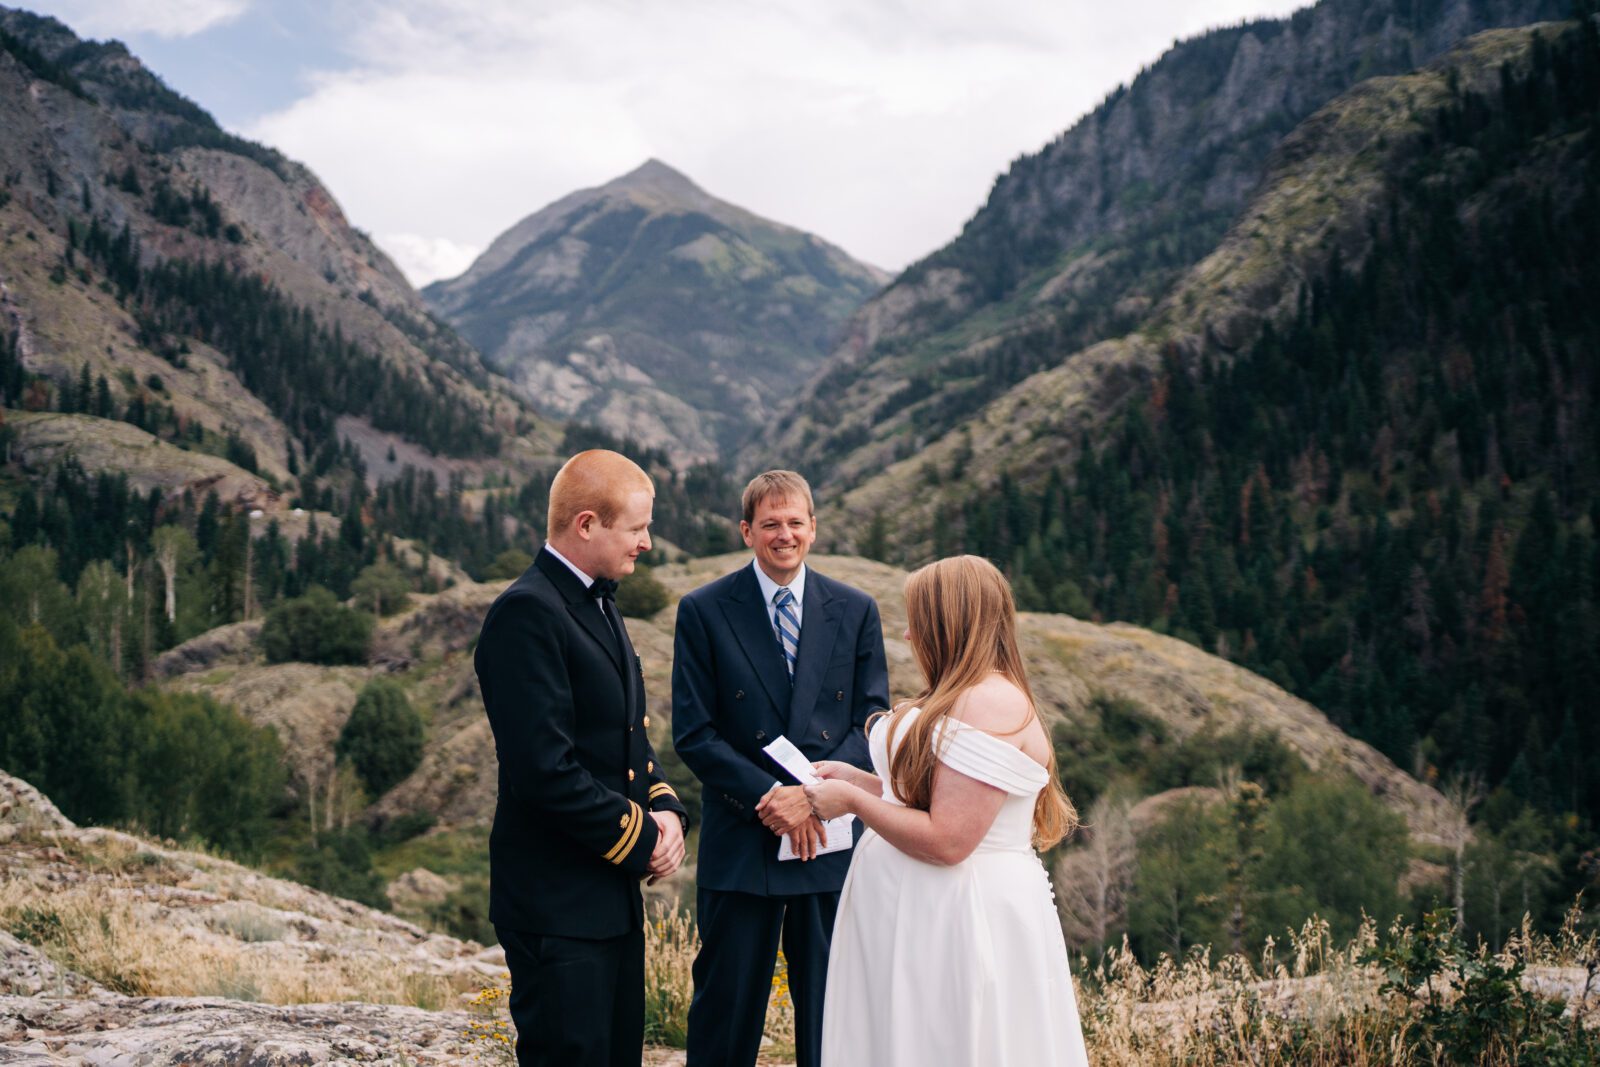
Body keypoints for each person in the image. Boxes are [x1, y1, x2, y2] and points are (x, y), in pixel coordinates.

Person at [803, 555, 1090, 1067]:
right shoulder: (958, 695)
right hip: (916, 910)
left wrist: (852, 803)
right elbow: (929, 796)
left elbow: (949, 840)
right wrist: (859, 780)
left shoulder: (989, 703)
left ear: (949, 622)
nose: (911, 635)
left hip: (958, 913)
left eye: (920, 620)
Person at [474, 449, 690, 1067]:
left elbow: (625, 740)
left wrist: (666, 809)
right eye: (637, 528)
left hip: (604, 897)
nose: (647, 543)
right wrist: (642, 836)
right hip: (555, 901)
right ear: (587, 524)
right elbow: (545, 771)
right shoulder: (528, 612)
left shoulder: (598, 599)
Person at [671, 470, 891, 1067]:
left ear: (813, 528)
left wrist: (813, 796)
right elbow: (694, 733)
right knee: (725, 1007)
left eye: (795, 522)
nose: (784, 534)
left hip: (829, 838)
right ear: (747, 531)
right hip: (745, 833)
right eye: (770, 523)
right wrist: (773, 796)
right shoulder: (704, 610)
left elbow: (873, 721)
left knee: (833, 1008)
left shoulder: (855, 608)